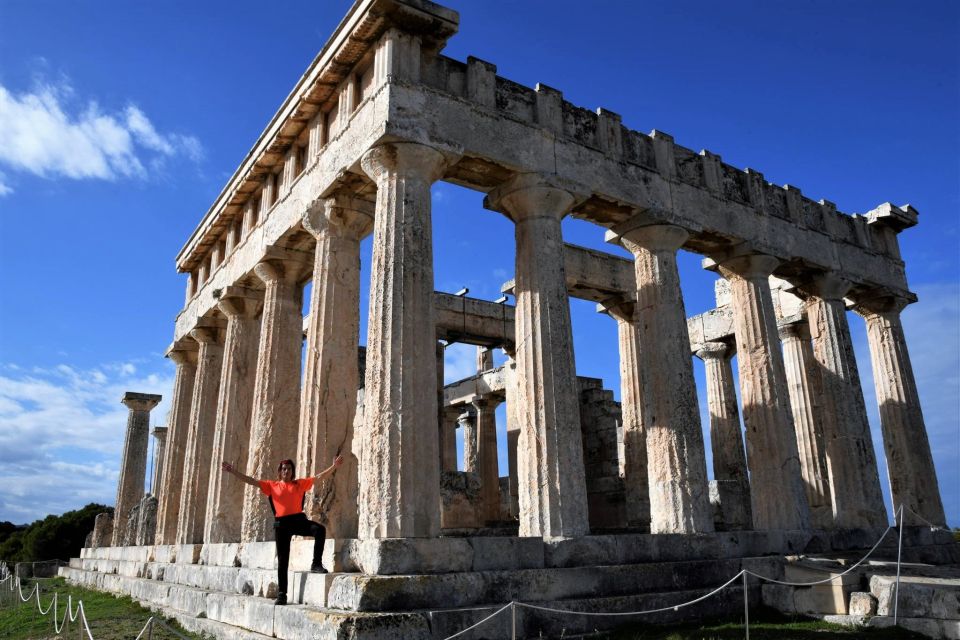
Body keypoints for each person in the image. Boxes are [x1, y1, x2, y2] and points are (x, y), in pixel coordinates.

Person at [221, 455, 343, 605]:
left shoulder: (299, 484)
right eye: (284, 469)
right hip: (282, 525)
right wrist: (233, 472)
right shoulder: (272, 486)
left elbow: (318, 477)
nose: (287, 471)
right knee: (283, 561)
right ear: (280, 472)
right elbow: (251, 481)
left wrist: (334, 466)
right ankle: (282, 594)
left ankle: (316, 564)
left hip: (298, 520)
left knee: (319, 530)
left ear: (292, 471)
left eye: (289, 469)